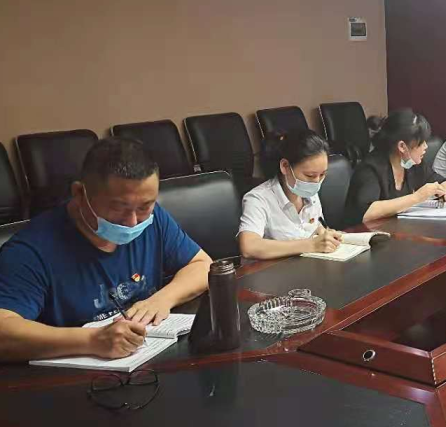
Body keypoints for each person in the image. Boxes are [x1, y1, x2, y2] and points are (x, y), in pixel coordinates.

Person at [0, 138, 211, 362]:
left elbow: (202, 265)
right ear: (79, 193)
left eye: (144, 206)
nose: (132, 222)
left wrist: (162, 299)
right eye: (119, 207)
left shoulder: (153, 219)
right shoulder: (30, 251)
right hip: (69, 376)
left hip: (148, 363)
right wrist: (91, 340)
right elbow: (4, 331)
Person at [238, 129, 343, 260]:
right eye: (310, 175)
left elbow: (313, 225)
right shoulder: (258, 199)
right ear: (285, 166)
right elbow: (249, 247)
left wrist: (323, 234)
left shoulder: (310, 194)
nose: (317, 181)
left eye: (322, 174)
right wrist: (311, 245)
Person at [344, 109, 446, 226]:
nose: (426, 146)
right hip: (365, 233)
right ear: (402, 146)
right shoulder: (370, 168)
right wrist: (417, 197)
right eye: (421, 143)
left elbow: (441, 181)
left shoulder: (412, 163)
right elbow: (366, 212)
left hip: (397, 229)